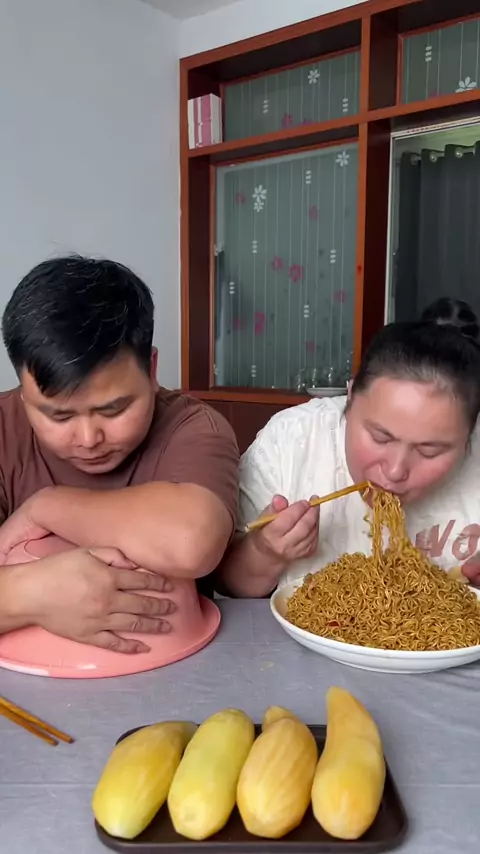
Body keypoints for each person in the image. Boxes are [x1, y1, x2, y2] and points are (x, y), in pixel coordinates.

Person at [0, 256, 239, 653]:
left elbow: (191, 539)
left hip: (174, 667)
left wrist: (46, 507)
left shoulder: (192, 427)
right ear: (24, 391)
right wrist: (33, 592)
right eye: (59, 416)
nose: (88, 438)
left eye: (113, 410)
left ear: (152, 369)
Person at [217, 298, 480, 598]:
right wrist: (266, 552)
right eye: (380, 437)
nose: (395, 470)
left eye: (429, 451)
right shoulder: (295, 439)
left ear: (471, 433)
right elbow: (226, 584)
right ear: (351, 396)